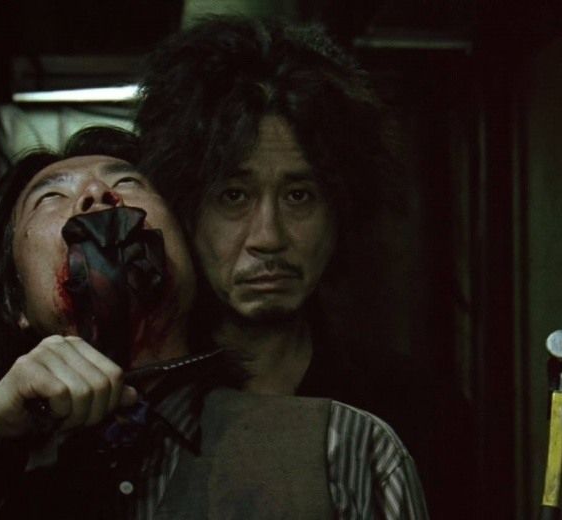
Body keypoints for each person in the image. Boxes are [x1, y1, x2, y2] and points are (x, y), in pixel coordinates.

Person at [0, 127, 427, 519]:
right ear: (14, 303)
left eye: (129, 183)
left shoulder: (343, 449)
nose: (96, 198)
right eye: (51, 197)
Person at [135, 15, 475, 517]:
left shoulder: (418, 413)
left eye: (299, 195)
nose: (269, 237)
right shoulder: (137, 410)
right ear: (184, 211)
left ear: (340, 208)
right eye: (234, 196)